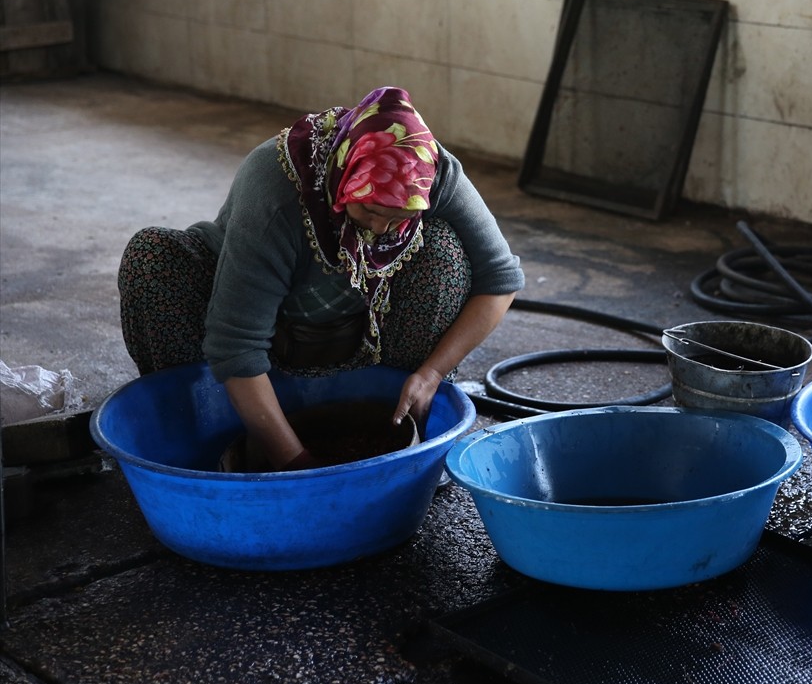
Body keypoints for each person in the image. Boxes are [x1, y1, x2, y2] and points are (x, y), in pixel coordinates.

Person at [117, 87, 524, 471]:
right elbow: (235, 344)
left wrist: (431, 373)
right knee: (153, 256)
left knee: (446, 253)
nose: (382, 229)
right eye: (367, 211)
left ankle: (401, 423)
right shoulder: (276, 192)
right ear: (344, 177)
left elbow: (501, 279)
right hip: (258, 326)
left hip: (359, 333)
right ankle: (198, 434)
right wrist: (296, 463)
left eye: (399, 217)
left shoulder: (432, 172)